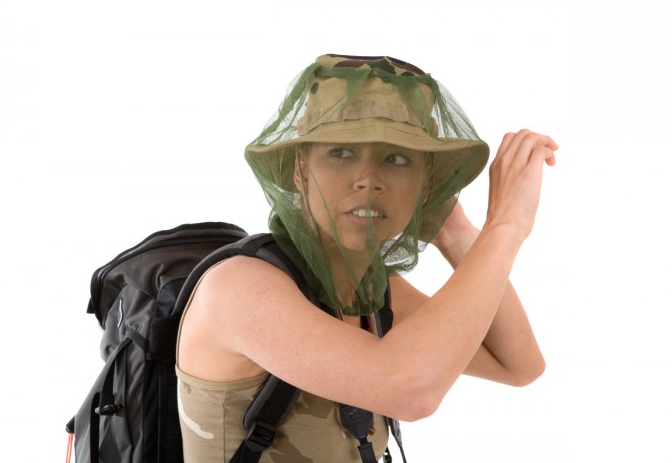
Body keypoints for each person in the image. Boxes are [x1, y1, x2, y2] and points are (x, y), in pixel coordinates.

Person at [175, 54, 557, 462]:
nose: (369, 179)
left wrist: (456, 232)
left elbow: (519, 364)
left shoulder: (376, 293)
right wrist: (505, 226)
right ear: (301, 172)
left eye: (396, 158)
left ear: (425, 187)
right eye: (341, 152)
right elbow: (411, 392)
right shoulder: (239, 287)